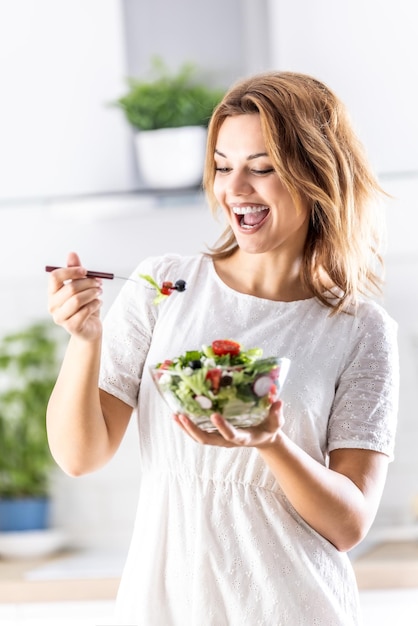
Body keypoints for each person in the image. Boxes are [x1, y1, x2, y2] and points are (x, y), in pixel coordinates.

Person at [46, 71, 399, 625]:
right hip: (164, 607)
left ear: (316, 174)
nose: (235, 190)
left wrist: (271, 441)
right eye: (222, 166)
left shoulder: (358, 327)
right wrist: (85, 340)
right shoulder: (162, 286)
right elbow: (79, 455)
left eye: (262, 169)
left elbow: (349, 524)